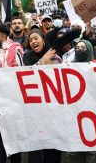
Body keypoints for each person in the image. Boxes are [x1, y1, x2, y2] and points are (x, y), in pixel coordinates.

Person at [23, 29, 61, 163]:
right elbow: (27, 77)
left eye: (36, 38)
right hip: (35, 108)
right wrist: (42, 62)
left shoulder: (54, 55)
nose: (33, 41)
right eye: (30, 40)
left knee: (52, 145)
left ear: (43, 40)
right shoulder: (26, 57)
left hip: (53, 107)